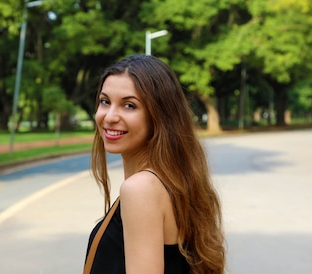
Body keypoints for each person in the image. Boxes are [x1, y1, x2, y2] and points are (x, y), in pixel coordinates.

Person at [84, 55, 225, 274]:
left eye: (129, 105)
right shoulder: (173, 181)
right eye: (105, 101)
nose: (110, 116)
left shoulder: (140, 189)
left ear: (159, 116)